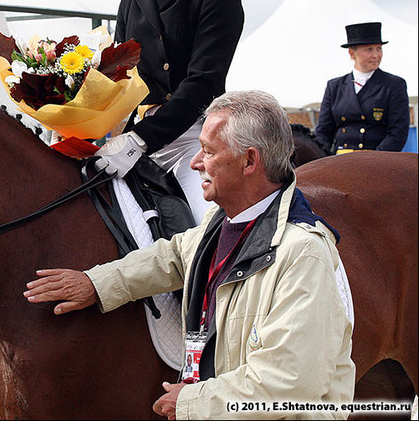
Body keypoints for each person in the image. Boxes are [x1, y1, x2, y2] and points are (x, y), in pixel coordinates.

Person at [25, 90, 355, 420]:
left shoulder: (303, 252)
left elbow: (290, 381)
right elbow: (174, 256)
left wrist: (192, 402)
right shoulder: (221, 221)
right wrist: (95, 283)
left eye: (208, 152)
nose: (195, 162)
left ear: (250, 161)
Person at [94, 0, 244, 224]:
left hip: (193, 140)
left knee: (211, 228)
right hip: (133, 138)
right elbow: (119, 77)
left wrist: (141, 139)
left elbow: (203, 83)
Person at [314, 22, 409, 154]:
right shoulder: (334, 86)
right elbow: (323, 132)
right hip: (340, 160)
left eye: (379, 49)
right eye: (369, 49)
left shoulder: (393, 85)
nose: (376, 55)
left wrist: (375, 159)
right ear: (352, 53)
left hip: (377, 160)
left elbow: (398, 132)